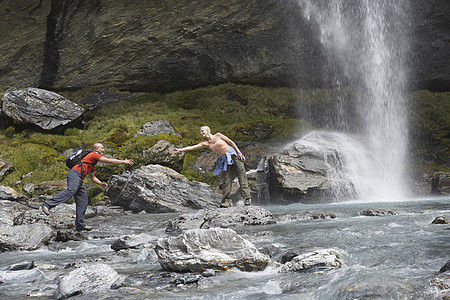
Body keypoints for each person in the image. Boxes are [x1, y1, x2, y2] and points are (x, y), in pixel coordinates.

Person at [40, 143, 134, 231]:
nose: (104, 150)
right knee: (71, 191)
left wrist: (101, 183)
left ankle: (80, 225)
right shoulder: (93, 154)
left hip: (79, 178)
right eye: (102, 148)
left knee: (83, 200)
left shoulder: (92, 162)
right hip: (74, 174)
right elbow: (108, 161)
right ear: (96, 149)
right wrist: (124, 161)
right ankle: (47, 205)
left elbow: (92, 177)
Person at [169, 126, 251, 208]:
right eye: (200, 132)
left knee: (241, 176)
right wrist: (179, 150)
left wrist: (239, 152)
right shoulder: (206, 143)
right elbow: (192, 147)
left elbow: (231, 142)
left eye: (202, 131)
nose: (201, 133)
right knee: (227, 179)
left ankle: (247, 199)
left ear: (208, 130)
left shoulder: (218, 136)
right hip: (225, 159)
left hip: (234, 155)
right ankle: (226, 201)